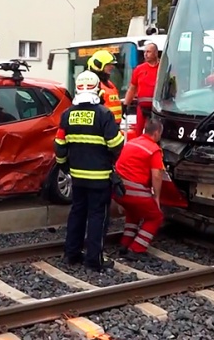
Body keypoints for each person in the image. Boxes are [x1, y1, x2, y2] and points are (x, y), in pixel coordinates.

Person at [55, 70, 125, 272]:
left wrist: (64, 165)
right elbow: (116, 144)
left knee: (77, 213)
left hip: (77, 177)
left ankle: (71, 254)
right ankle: (94, 260)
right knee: (97, 217)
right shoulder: (104, 114)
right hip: (100, 178)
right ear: (97, 90)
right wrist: (111, 159)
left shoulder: (67, 115)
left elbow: (59, 145)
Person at [113, 117, 165, 260]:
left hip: (118, 190)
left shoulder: (131, 143)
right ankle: (137, 248)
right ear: (156, 134)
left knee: (134, 212)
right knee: (155, 217)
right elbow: (157, 175)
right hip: (135, 191)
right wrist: (157, 197)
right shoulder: (153, 150)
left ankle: (125, 243)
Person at [124, 42, 160, 137]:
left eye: (148, 52)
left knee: (156, 133)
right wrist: (125, 105)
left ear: (155, 53)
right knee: (139, 133)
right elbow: (132, 88)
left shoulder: (162, 68)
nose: (145, 54)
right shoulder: (139, 69)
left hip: (158, 108)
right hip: (142, 108)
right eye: (144, 52)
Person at [88, 49, 122, 125]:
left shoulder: (109, 84)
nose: (112, 67)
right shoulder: (93, 85)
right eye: (108, 65)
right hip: (102, 126)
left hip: (113, 126)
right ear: (98, 65)